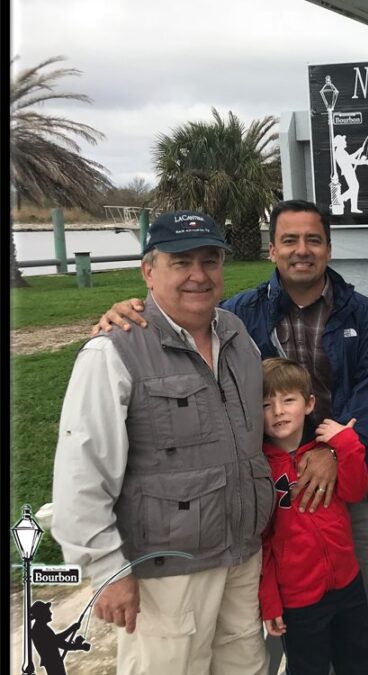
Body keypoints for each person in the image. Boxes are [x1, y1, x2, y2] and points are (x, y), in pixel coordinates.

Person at [94, 199, 368, 675]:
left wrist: (330, 451)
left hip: (358, 484)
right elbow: (183, 317)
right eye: (289, 240)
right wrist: (128, 310)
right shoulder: (239, 315)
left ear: (329, 247)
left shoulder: (364, 316)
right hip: (277, 496)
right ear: (272, 249)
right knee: (275, 614)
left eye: (313, 239)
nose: (301, 250)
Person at [55, 210, 273, 675]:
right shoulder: (114, 350)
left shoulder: (238, 335)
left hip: (240, 557)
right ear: (148, 271)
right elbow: (81, 473)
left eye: (210, 260)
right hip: (166, 575)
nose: (199, 275)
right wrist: (108, 570)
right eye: (181, 262)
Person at [259, 357, 368, 675]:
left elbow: (355, 491)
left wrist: (346, 444)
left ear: (309, 403)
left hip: (347, 584)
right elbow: (263, 542)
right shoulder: (259, 469)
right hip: (298, 599)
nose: (279, 411)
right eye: (266, 404)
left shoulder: (325, 453)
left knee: (362, 664)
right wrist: (270, 601)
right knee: (307, 668)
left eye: (288, 400)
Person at [28, 601, 91, 675]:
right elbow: (57, 642)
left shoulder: (40, 628)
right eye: (47, 611)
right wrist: (72, 630)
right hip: (53, 663)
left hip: (54, 662)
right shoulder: (40, 629)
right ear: (42, 614)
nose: (50, 613)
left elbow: (56, 641)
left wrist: (78, 645)